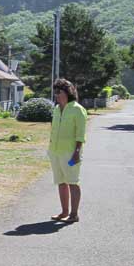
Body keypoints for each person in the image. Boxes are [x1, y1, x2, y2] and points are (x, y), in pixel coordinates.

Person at [48, 78, 87, 223]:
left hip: (70, 153)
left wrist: (77, 153)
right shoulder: (57, 109)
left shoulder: (78, 109)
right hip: (55, 151)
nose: (56, 95)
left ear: (68, 92)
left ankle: (74, 214)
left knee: (72, 182)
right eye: (55, 92)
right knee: (61, 182)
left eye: (59, 92)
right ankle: (64, 212)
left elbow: (80, 134)